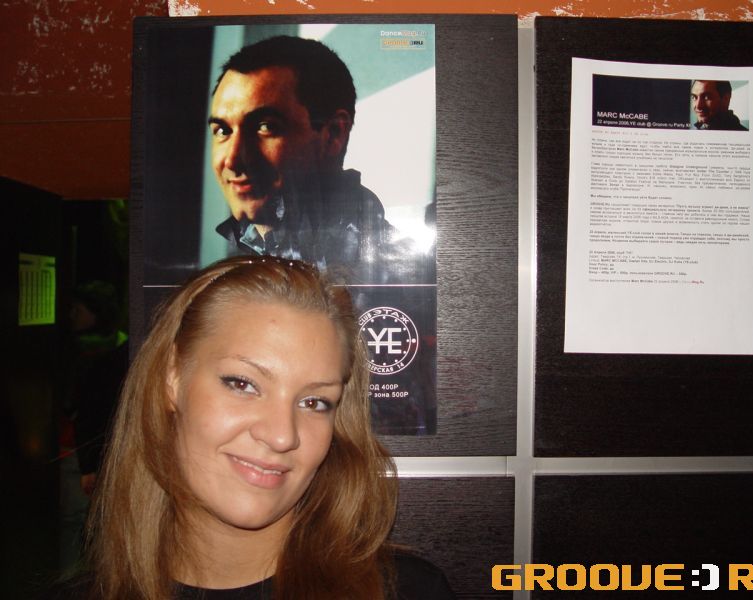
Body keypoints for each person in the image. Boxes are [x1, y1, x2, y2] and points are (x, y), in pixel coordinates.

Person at [45, 255, 454, 599]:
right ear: (173, 378)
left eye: (314, 402)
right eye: (243, 384)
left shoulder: (406, 592)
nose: (282, 435)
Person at [208, 36, 416, 284]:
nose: (232, 160)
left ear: (333, 134)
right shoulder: (231, 268)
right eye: (223, 130)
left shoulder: (395, 277)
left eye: (266, 126)